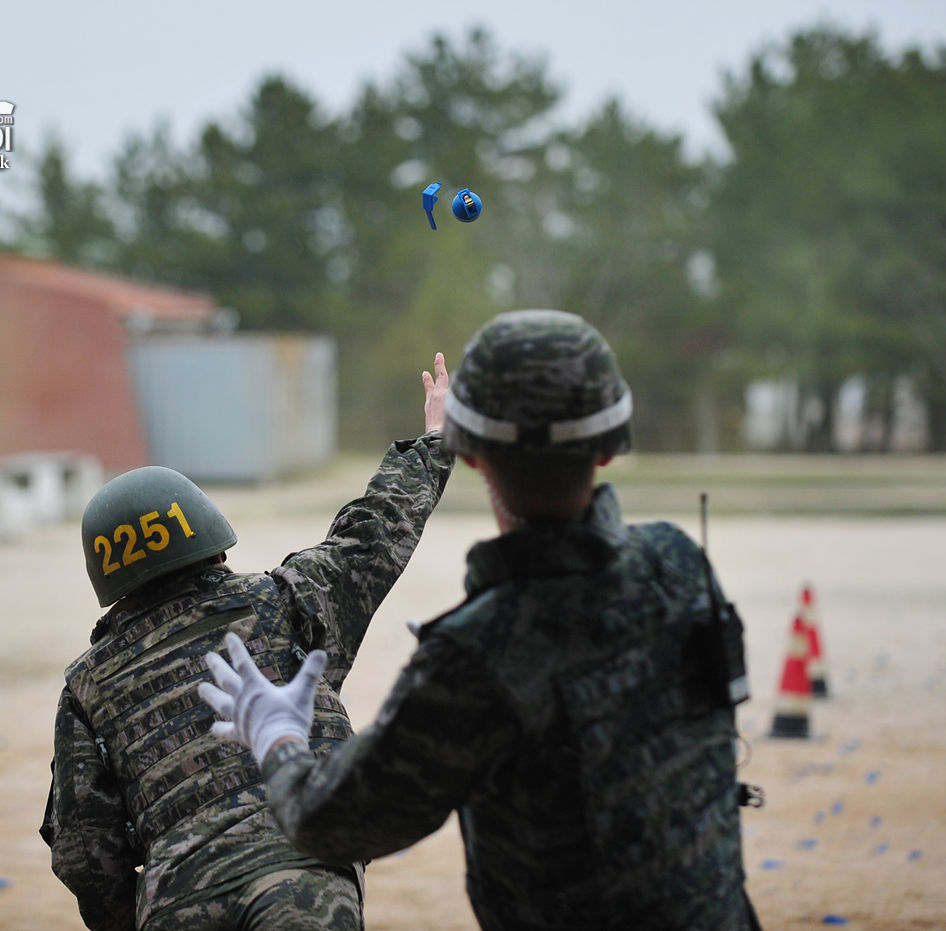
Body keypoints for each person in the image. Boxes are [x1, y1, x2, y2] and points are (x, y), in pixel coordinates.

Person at [200, 310, 760, 931]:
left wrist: (277, 736)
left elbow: (325, 823)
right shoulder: (678, 562)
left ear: (471, 459)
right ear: (608, 447)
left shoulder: (475, 657)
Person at [41, 354, 455, 931]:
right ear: (212, 544)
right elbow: (374, 533)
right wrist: (435, 441)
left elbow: (86, 854)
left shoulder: (87, 685)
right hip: (302, 876)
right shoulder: (284, 602)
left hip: (176, 900)